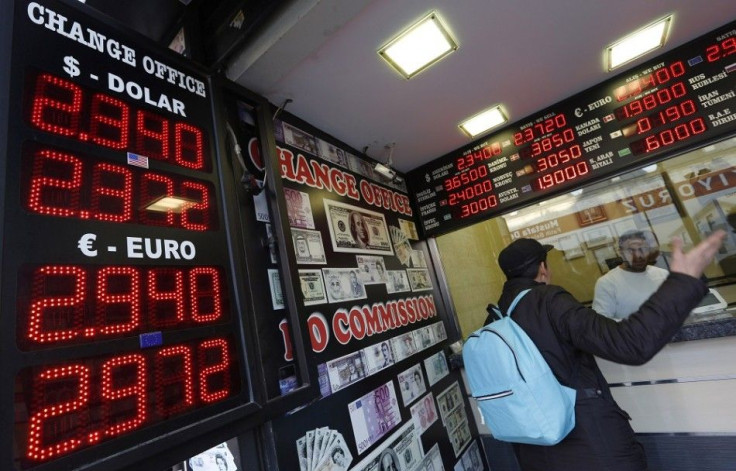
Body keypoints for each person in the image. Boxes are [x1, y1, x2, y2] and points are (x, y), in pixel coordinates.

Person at [489, 233, 724, 471]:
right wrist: (683, 282)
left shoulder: (494, 317)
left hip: (534, 451)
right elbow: (630, 343)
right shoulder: (549, 301)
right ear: (542, 268)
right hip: (592, 446)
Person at [592, 230, 669, 320]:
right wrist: (639, 325)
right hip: (635, 333)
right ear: (620, 252)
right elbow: (602, 322)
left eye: (642, 249)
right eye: (630, 251)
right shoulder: (607, 283)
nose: (638, 255)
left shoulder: (663, 274)